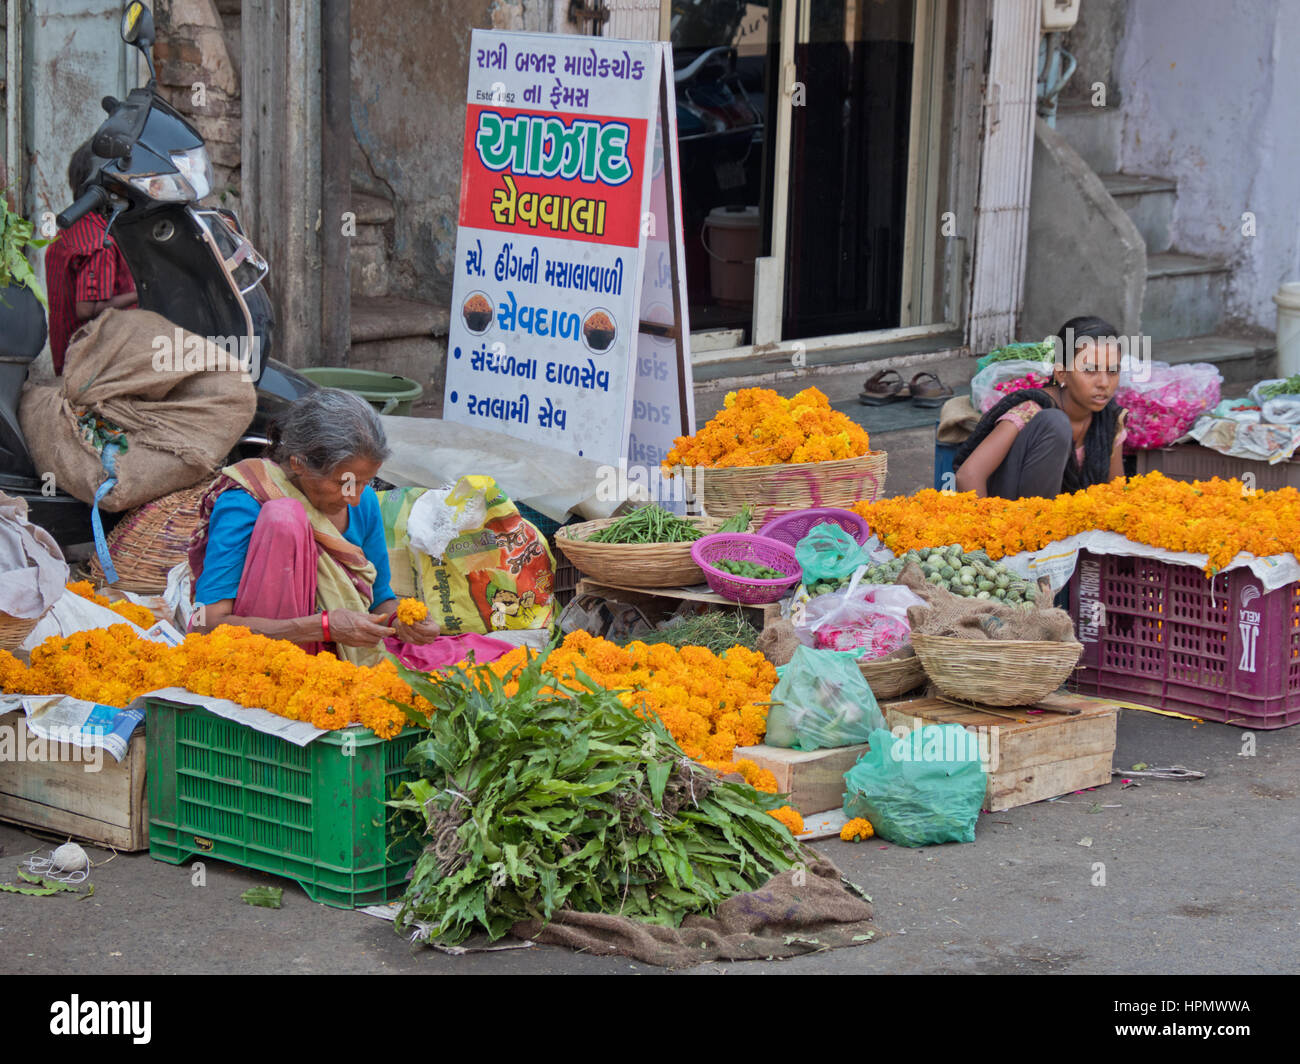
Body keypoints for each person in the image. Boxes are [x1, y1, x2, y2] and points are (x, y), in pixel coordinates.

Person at [187, 388, 511, 671]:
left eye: (364, 482)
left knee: (491, 662)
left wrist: (403, 622)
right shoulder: (245, 503)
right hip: (267, 661)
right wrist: (322, 627)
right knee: (283, 517)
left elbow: (380, 601)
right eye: (344, 483)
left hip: (347, 655)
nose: (354, 497)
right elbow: (206, 625)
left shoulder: (363, 501)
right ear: (299, 464)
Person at [954, 316, 1128, 500]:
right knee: (1056, 424)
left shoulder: (1109, 421)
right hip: (1010, 510)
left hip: (1064, 515)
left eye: (1112, 371)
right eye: (1090, 370)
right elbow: (968, 475)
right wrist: (990, 517)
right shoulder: (1032, 410)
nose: (1104, 383)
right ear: (1061, 374)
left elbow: (1116, 493)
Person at [43, 140, 138, 375]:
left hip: (68, 360)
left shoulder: (72, 229)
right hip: (92, 366)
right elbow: (86, 309)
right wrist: (141, 293)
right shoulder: (98, 243)